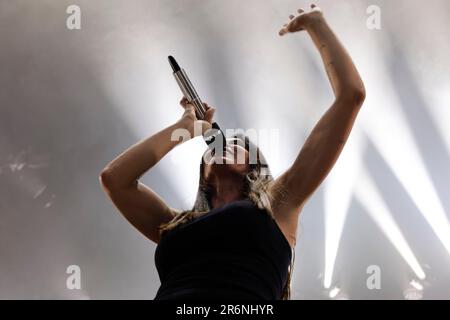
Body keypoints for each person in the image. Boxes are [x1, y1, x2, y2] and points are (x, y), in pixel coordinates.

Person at [99, 4, 365, 300]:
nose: (226, 144)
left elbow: (350, 96)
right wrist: (184, 128)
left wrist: (317, 25)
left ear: (254, 166)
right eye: (220, 144)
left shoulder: (278, 205)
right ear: (204, 170)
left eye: (239, 144)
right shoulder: (175, 224)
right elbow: (115, 179)